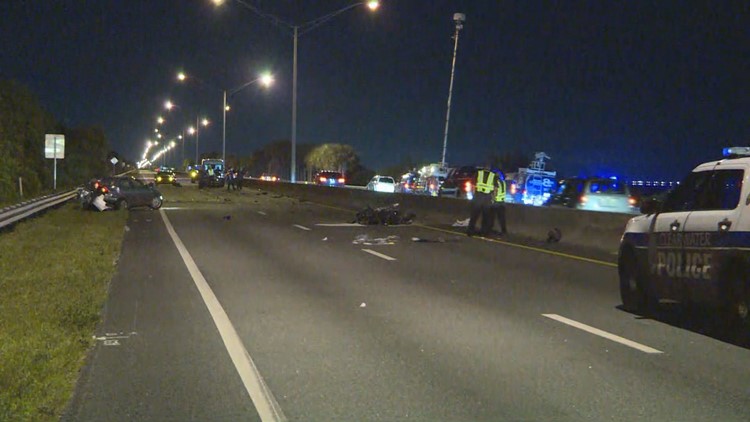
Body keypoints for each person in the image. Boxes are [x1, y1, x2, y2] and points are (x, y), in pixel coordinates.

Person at [467, 167, 497, 236]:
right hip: (487, 197)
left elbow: (473, 186)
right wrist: (493, 198)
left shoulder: (478, 173)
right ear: (489, 169)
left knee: (474, 215)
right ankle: (483, 232)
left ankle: (470, 231)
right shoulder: (493, 175)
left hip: (478, 196)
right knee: (486, 216)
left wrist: (473, 195)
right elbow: (495, 189)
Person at [491, 170, 508, 236]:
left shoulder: (496, 182)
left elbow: (495, 190)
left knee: (492, 216)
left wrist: (493, 199)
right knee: (502, 218)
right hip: (502, 202)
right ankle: (504, 231)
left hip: (497, 202)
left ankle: (490, 229)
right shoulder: (503, 182)